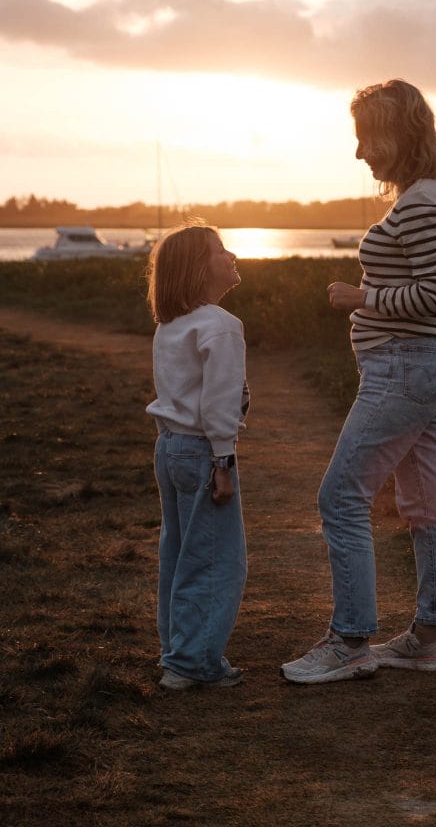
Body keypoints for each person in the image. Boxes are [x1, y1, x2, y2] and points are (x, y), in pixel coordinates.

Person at [281, 79, 436, 685]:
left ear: (397, 133)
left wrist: (363, 297)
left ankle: (351, 640)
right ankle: (430, 639)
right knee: (426, 505)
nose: (360, 152)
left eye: (367, 138)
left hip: (405, 367)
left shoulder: (418, 203)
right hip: (421, 365)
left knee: (340, 497)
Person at [146, 222, 249, 691]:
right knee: (215, 559)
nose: (231, 255)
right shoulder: (222, 326)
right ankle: (192, 663)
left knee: (179, 551)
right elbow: (218, 405)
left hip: (169, 448)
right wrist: (223, 463)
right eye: (219, 250)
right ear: (198, 268)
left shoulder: (171, 325)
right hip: (202, 451)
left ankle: (178, 651)